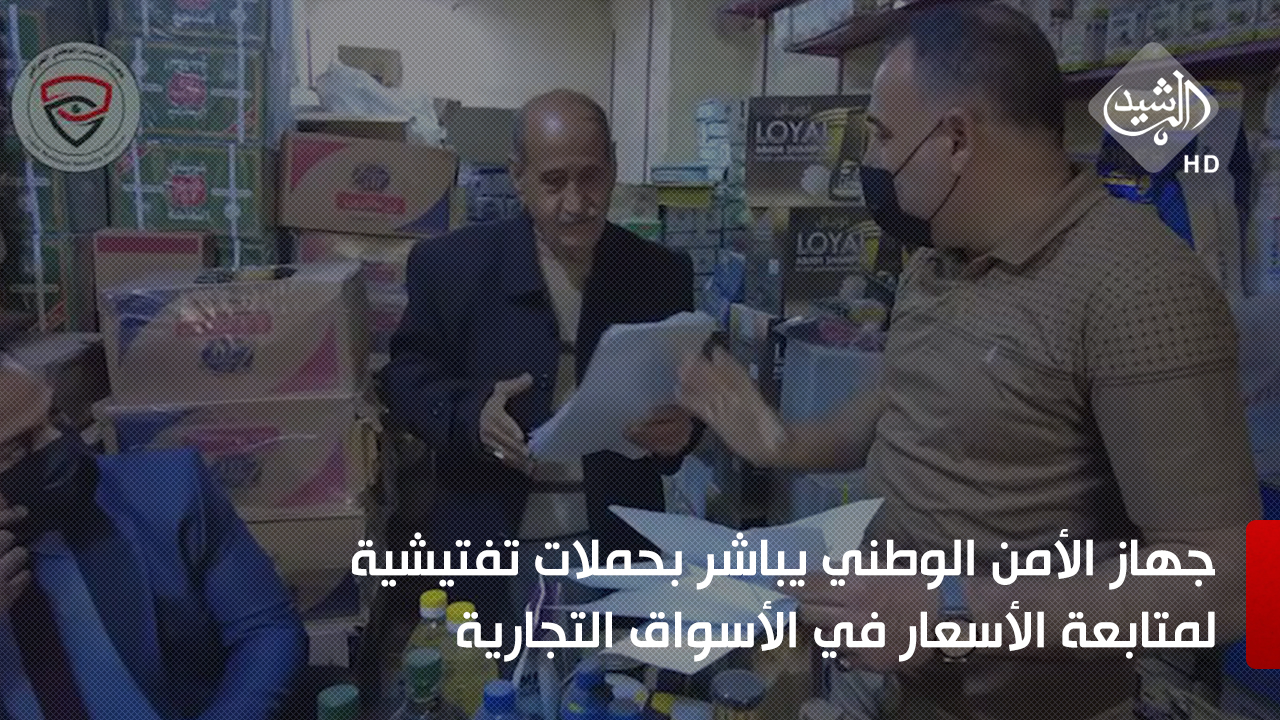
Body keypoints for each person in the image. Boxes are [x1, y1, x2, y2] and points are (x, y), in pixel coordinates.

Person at [676, 5, 1259, 720]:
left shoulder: (1138, 285)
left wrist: (950, 608)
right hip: (887, 685)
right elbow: (896, 412)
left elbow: (1233, 582)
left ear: (955, 140)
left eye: (883, 136)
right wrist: (776, 440)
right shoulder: (935, 259)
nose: (873, 163)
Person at [383, 89, 702, 627]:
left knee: (611, 679)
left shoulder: (659, 273)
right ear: (518, 177)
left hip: (619, 546)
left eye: (592, 177)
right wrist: (471, 415)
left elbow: (691, 394)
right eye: (554, 182)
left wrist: (684, 431)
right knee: (494, 676)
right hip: (488, 545)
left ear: (614, 167)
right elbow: (405, 379)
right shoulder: (452, 266)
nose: (576, 203)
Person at [0, 349, 307, 719]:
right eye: (15, 448)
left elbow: (266, 631)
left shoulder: (168, 490)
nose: (56, 443)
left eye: (54, 416)